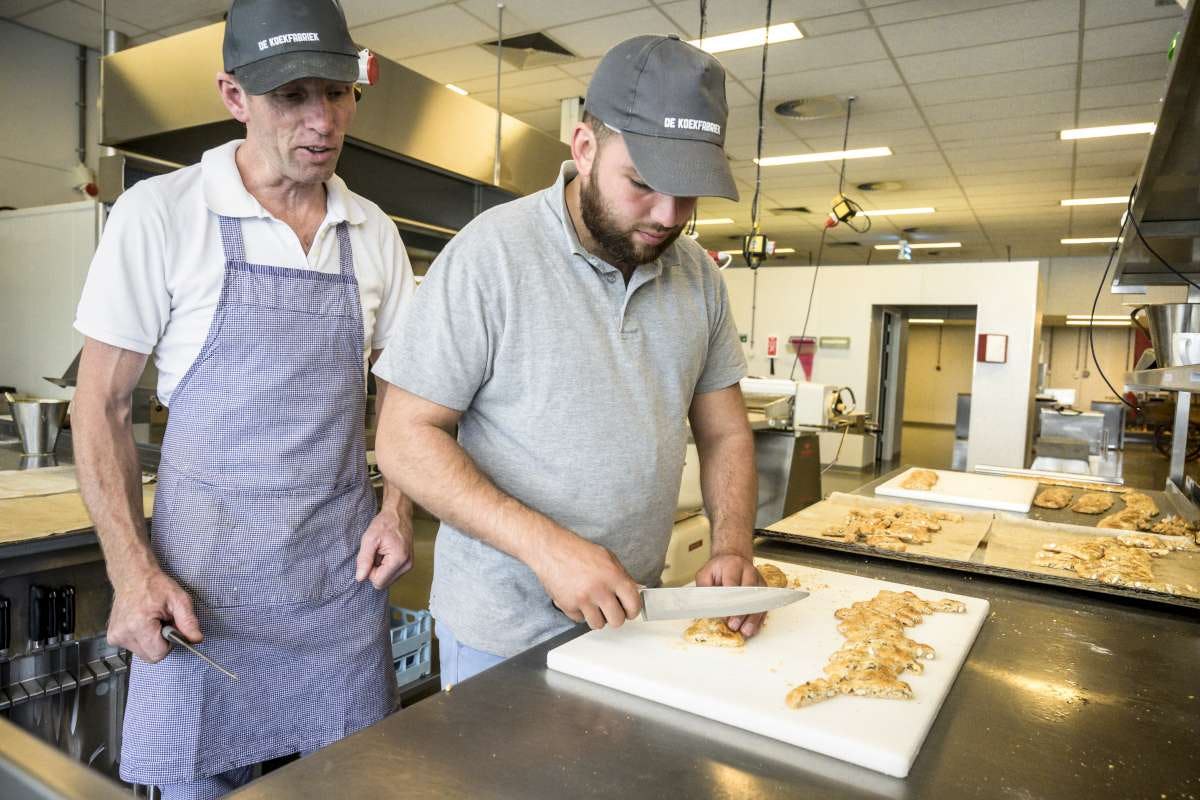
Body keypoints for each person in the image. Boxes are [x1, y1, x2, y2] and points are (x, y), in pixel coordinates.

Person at [72, 1, 415, 795]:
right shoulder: (161, 215)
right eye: (290, 96)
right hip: (200, 600)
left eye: (335, 92)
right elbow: (100, 407)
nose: (320, 121)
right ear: (233, 96)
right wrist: (131, 573)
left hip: (338, 596)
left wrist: (397, 509)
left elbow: (406, 391)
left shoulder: (373, 231)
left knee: (352, 784)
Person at [372, 34, 762, 688]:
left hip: (636, 620)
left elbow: (724, 431)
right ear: (584, 148)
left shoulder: (697, 278)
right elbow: (404, 439)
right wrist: (546, 548)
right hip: (502, 635)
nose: (668, 217)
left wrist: (731, 547)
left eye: (689, 194)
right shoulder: (490, 257)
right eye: (643, 184)